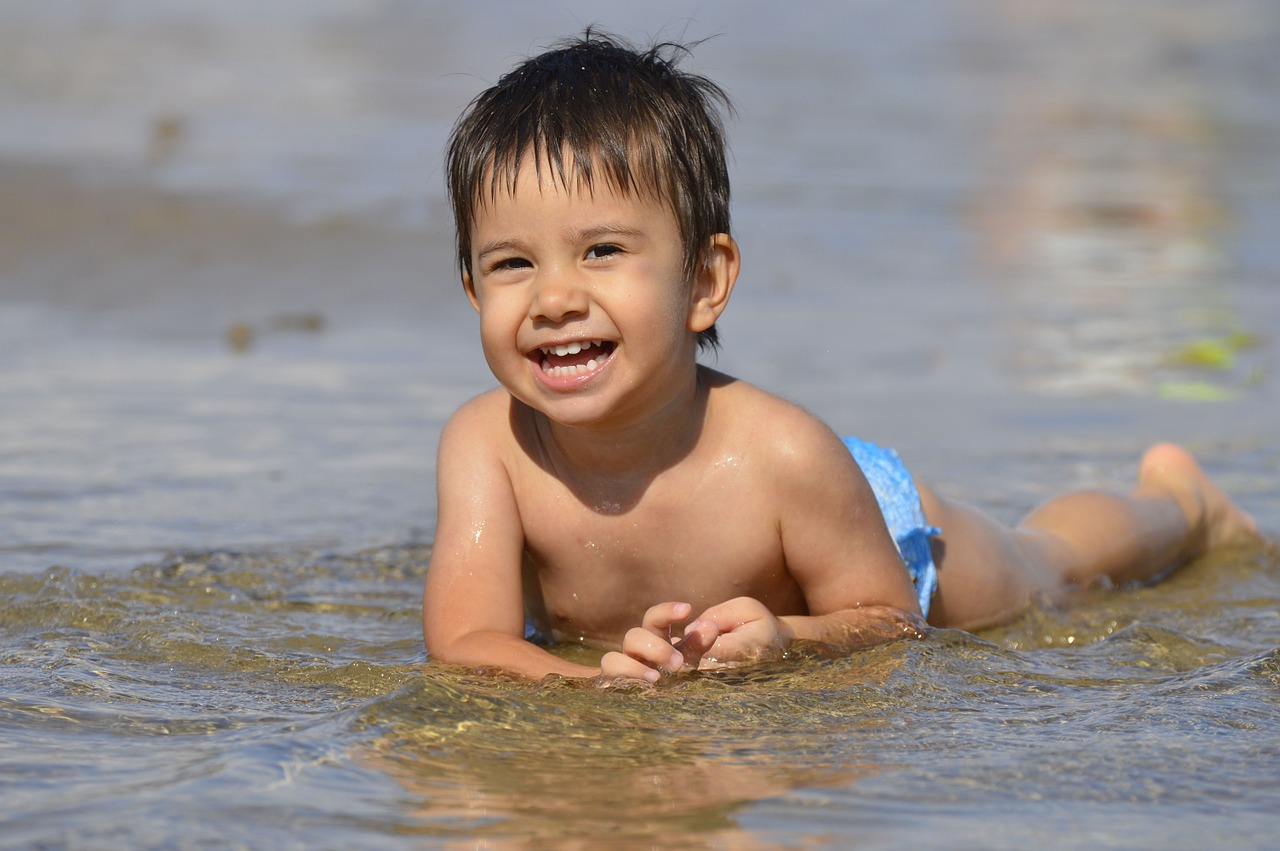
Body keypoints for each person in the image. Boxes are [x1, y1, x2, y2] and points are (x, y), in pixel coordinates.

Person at [422, 31, 1260, 685]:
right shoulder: (488, 445)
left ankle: (1180, 503)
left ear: (706, 283)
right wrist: (583, 685)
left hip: (875, 530)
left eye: (602, 250)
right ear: (470, 291)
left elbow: (890, 620)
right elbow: (467, 638)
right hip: (814, 518)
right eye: (512, 263)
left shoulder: (782, 456)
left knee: (1043, 564)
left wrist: (792, 638)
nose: (554, 297)